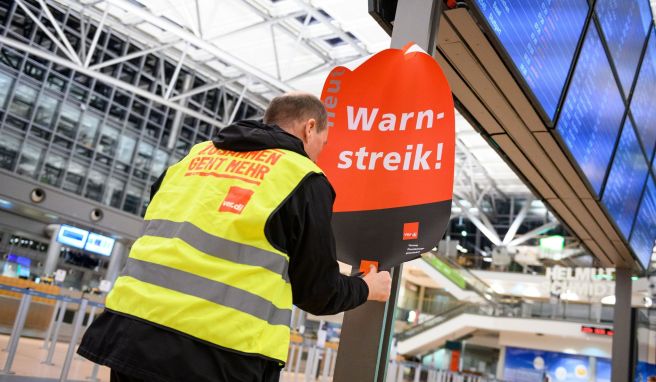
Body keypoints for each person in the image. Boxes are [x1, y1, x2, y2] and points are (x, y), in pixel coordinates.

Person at [77, 92, 392, 382]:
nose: (319, 155)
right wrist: (366, 287)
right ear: (310, 128)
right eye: (322, 144)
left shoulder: (194, 157)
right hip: (218, 354)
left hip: (132, 335)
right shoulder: (302, 177)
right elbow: (317, 293)